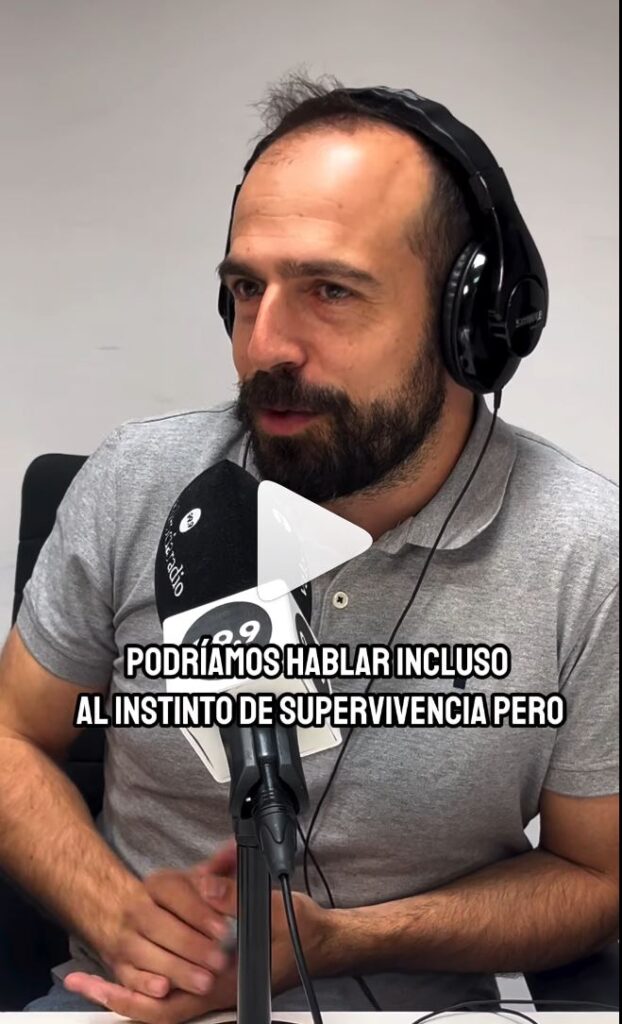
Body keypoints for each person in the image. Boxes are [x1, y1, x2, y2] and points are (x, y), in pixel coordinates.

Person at [0, 73, 618, 1022]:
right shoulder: (139, 484)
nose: (265, 345)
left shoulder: (585, 552)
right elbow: (10, 737)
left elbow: (597, 874)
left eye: (331, 290)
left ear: (471, 324)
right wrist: (117, 913)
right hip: (135, 1002)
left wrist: (349, 939)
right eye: (247, 289)